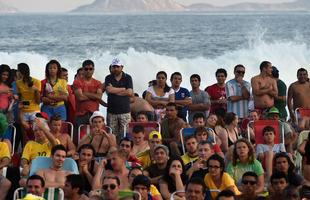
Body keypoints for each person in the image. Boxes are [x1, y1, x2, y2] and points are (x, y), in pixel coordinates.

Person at [73, 60, 103, 144]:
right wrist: (93, 96)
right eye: (86, 69)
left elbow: (99, 97)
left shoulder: (98, 83)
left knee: (96, 137)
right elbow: (80, 97)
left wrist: (85, 93)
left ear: (93, 69)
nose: (88, 71)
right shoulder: (77, 82)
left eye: (90, 69)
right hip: (81, 114)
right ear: (82, 69)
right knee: (79, 138)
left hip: (94, 115)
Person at [105, 58, 133, 140]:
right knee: (112, 135)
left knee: (125, 135)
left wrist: (114, 90)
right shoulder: (108, 77)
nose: (115, 69)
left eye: (117, 67)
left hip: (125, 112)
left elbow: (130, 92)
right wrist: (123, 89)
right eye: (114, 67)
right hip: (111, 112)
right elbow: (108, 90)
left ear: (122, 67)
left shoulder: (127, 77)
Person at [16, 63, 41, 143]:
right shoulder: (18, 83)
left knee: (36, 132)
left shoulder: (36, 81)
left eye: (18, 70)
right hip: (24, 110)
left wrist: (36, 90)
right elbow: (20, 98)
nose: (17, 72)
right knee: (24, 134)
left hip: (34, 110)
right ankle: (25, 151)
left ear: (21, 72)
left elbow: (38, 101)